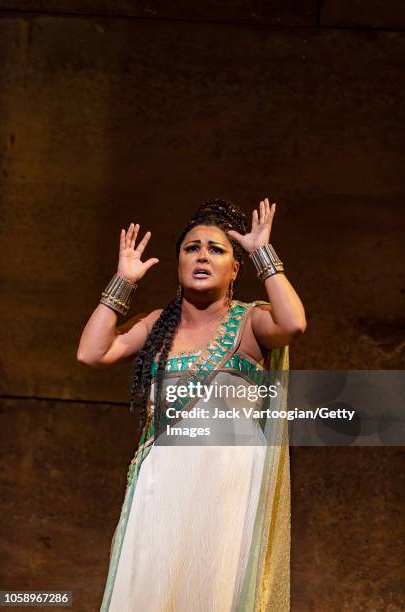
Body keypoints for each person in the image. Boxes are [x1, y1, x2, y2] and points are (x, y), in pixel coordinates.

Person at [77, 197, 307, 611]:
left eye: (216, 250)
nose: (202, 256)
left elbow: (293, 323)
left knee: (214, 590)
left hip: (228, 483)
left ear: (234, 268)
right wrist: (122, 281)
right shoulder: (156, 325)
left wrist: (262, 253)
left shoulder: (250, 322)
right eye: (192, 248)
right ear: (179, 262)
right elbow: (92, 353)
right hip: (162, 481)